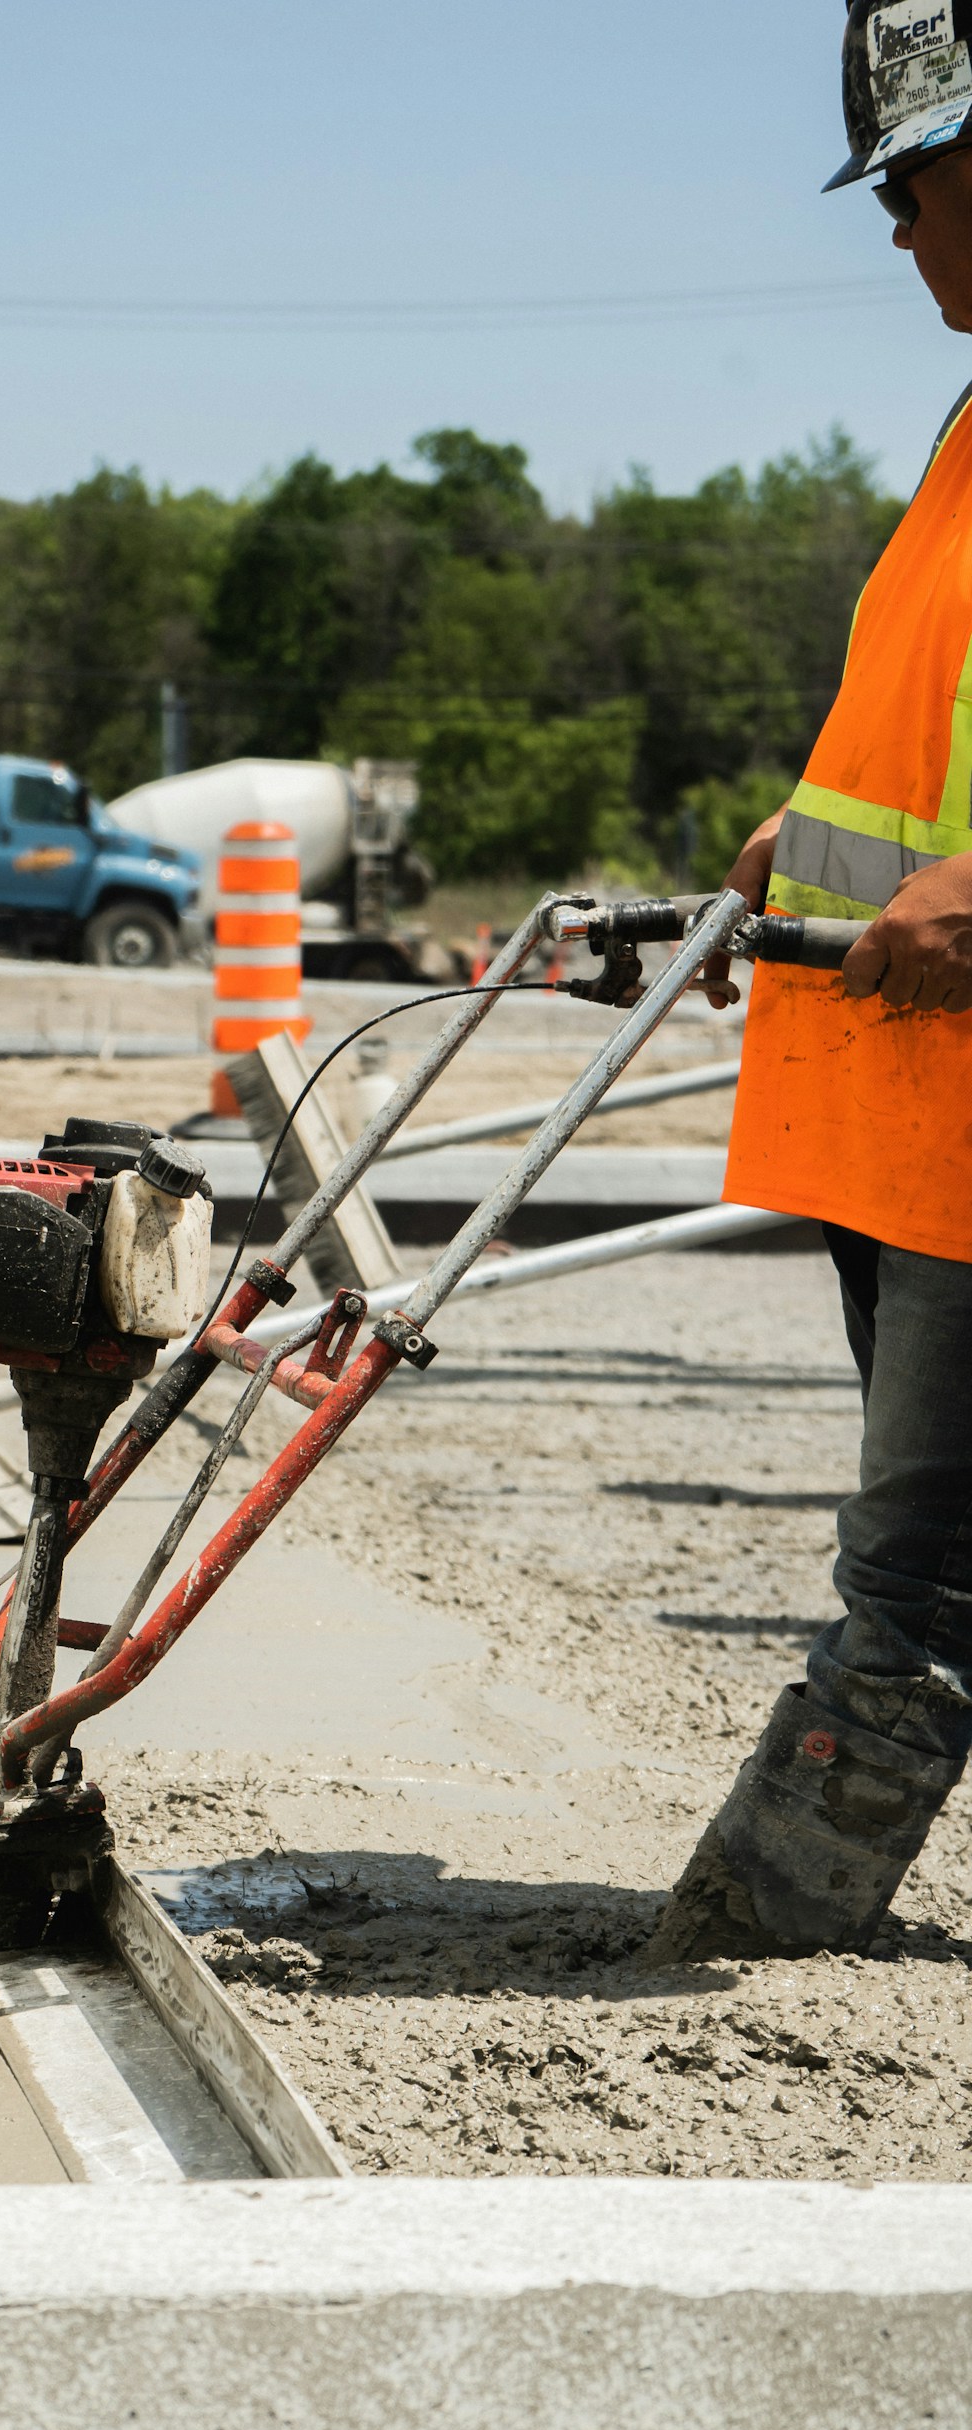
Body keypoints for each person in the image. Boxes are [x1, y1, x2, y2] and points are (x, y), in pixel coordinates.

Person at [647, 0, 972, 1964]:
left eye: (916, 184)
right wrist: (810, 847)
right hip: (918, 1097)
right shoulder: (970, 427)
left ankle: (760, 1927)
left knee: (916, 1575)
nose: (900, 231)